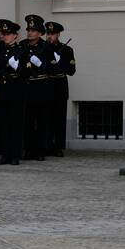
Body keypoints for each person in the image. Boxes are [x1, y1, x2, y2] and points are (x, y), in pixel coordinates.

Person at [0, 19, 27, 165]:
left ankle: (15, 155)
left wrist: (18, 67)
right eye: (2, 33)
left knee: (15, 125)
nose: (4, 36)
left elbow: (27, 73)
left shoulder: (22, 51)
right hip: (1, 91)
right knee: (3, 124)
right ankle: (5, 154)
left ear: (15, 35)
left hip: (16, 92)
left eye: (7, 34)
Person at [21, 14, 51, 161]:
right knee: (27, 120)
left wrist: (40, 64)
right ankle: (28, 149)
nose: (30, 32)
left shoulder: (46, 47)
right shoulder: (22, 45)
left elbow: (51, 67)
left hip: (41, 86)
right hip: (27, 86)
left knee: (41, 121)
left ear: (40, 33)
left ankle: (40, 150)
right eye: (28, 30)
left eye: (33, 30)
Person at [45, 21, 76, 157]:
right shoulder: (42, 49)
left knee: (59, 118)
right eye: (48, 33)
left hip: (60, 86)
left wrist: (61, 61)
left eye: (52, 34)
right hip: (46, 85)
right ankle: (46, 145)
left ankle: (58, 146)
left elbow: (71, 71)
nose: (49, 36)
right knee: (46, 118)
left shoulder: (67, 50)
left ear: (58, 34)